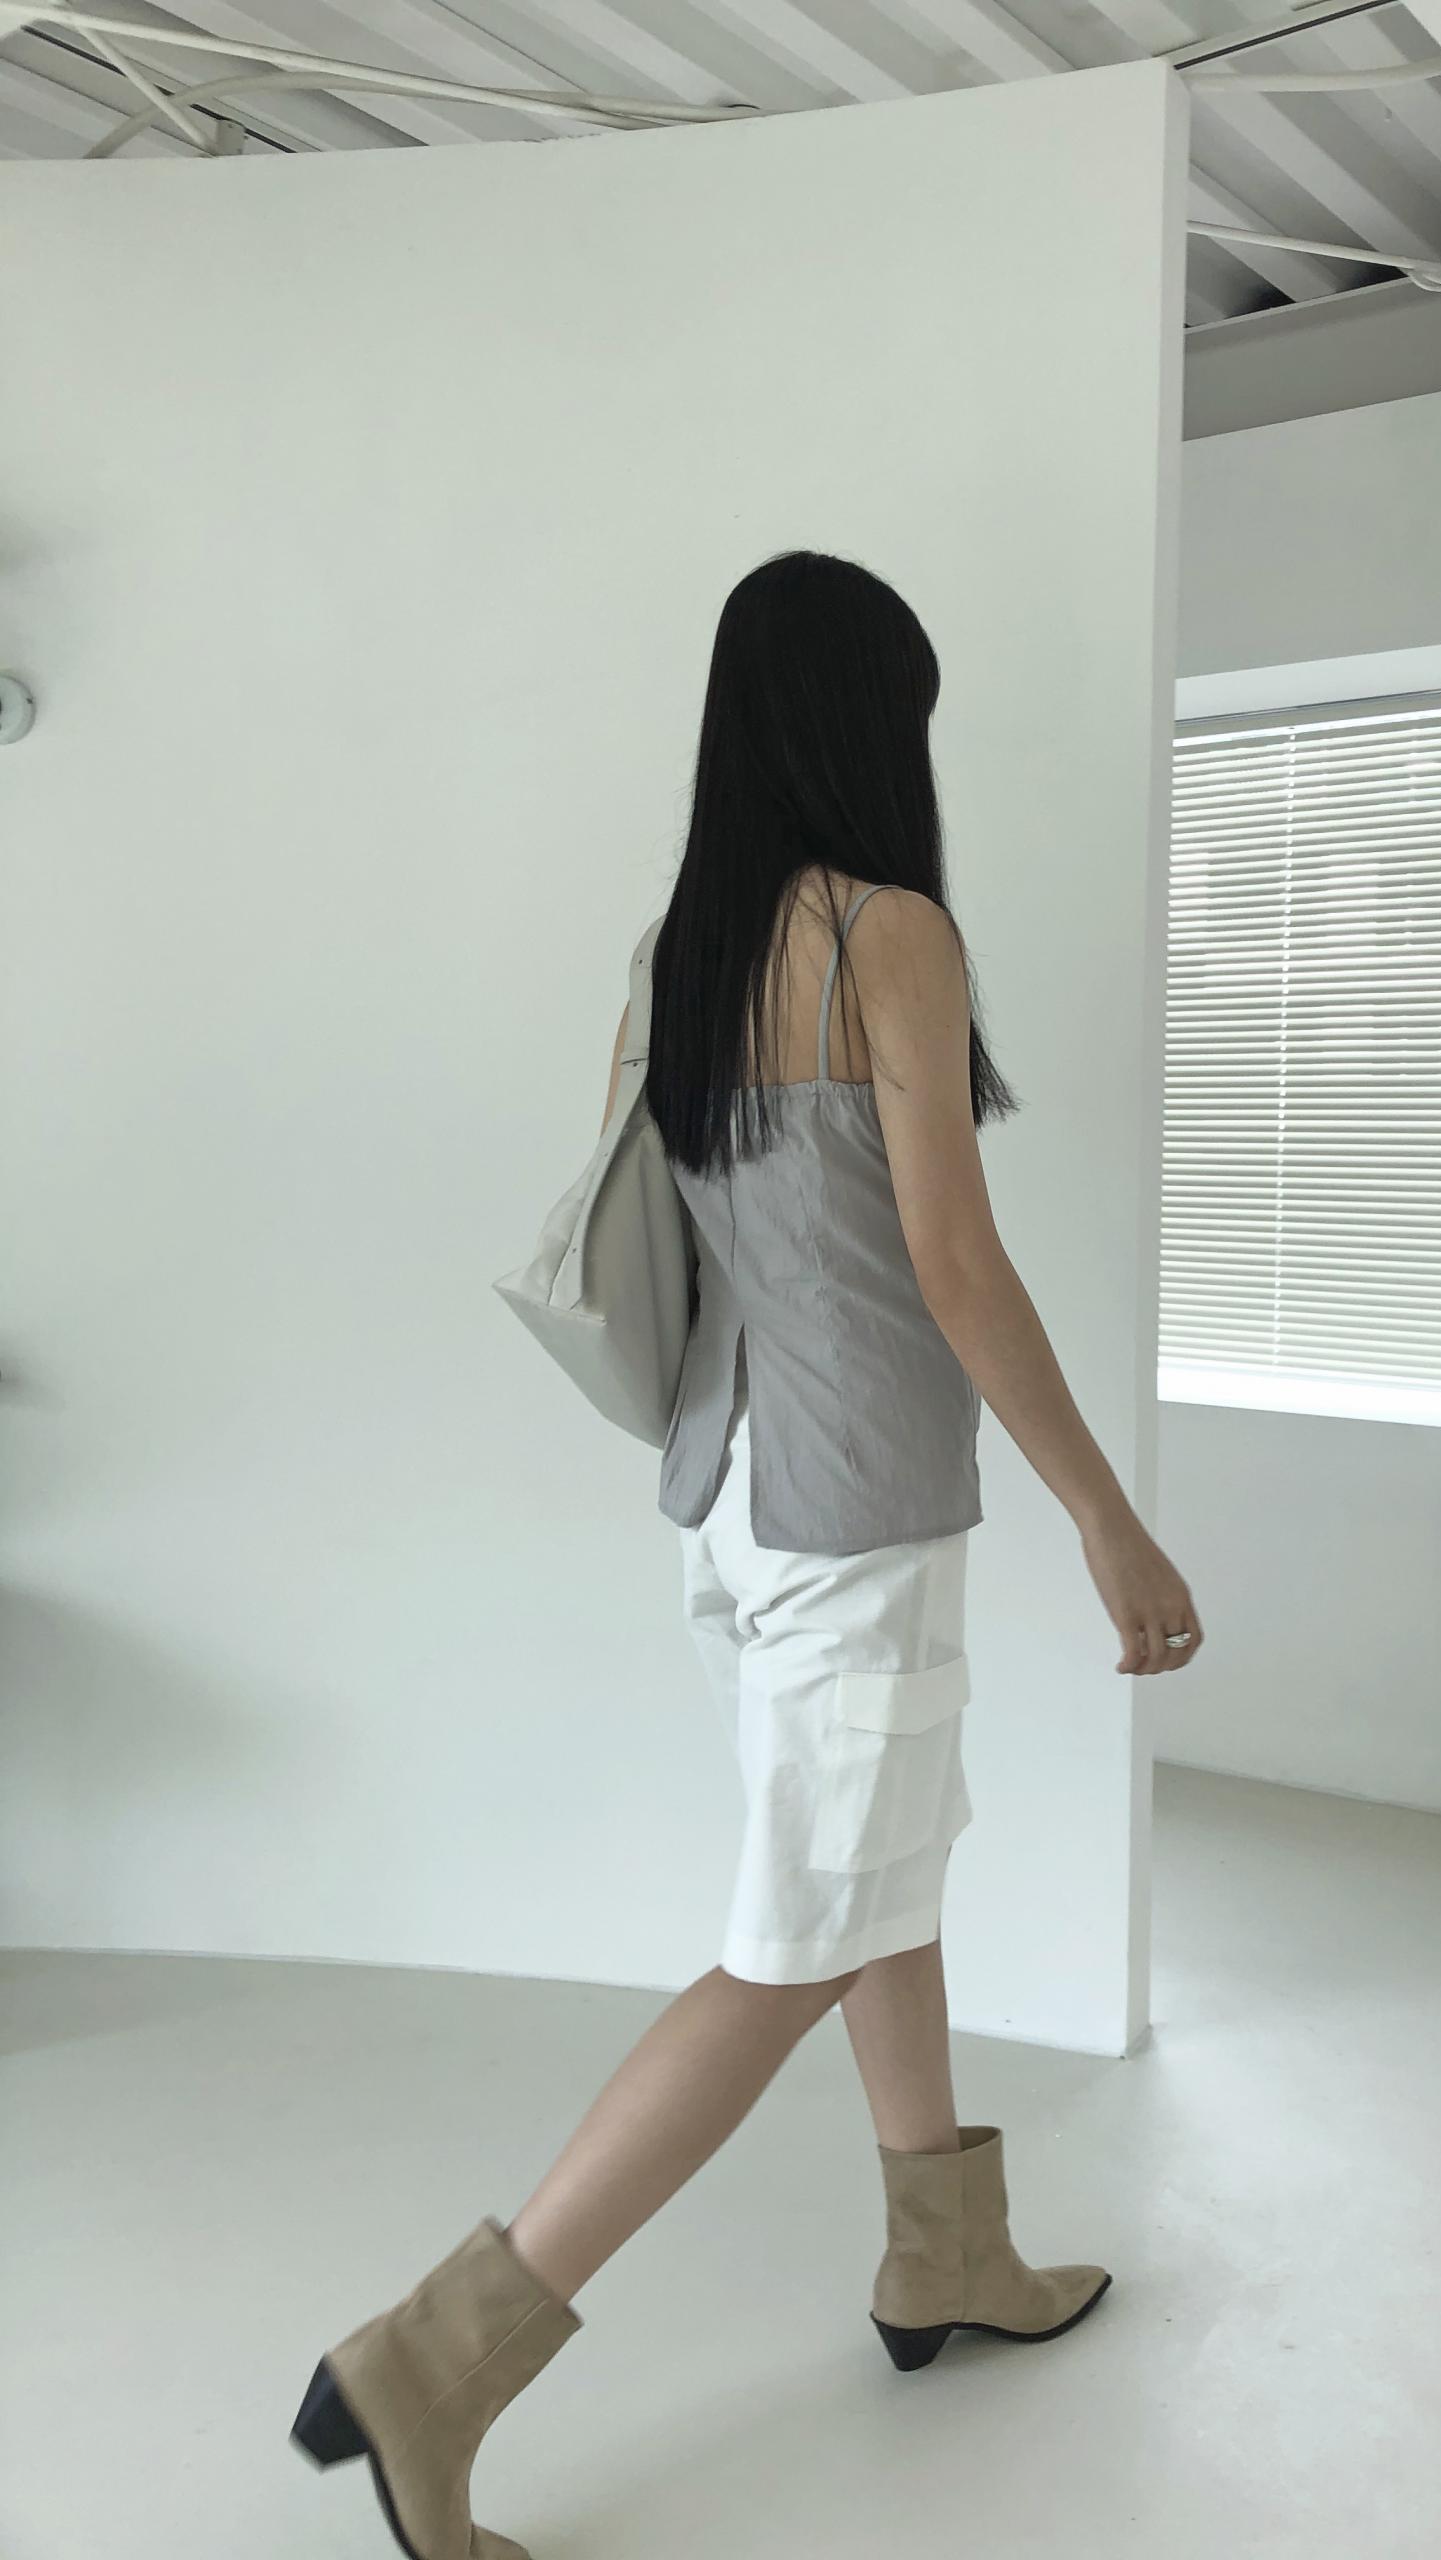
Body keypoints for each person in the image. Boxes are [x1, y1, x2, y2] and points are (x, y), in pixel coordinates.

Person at [289, 550, 1204, 2560]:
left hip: (728, 1498)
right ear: (863, 724)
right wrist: (1108, 1515)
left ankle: (945, 2250)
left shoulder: (677, 949)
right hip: (855, 1514)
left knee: (872, 1875)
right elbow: (953, 1264)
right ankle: (429, 2362)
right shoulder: (890, 933)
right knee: (793, 1942)